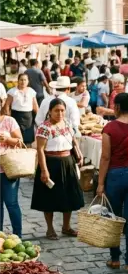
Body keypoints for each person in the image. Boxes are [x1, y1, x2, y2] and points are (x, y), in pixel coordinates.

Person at [97, 93, 128, 273]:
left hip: (115, 176)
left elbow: (105, 157)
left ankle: (115, 258)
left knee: (114, 218)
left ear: (116, 107)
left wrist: (100, 183)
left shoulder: (109, 127)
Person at [31, 98, 84, 239]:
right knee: (49, 198)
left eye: (62, 110)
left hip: (68, 162)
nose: (60, 113)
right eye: (56, 110)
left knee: (69, 196)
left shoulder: (67, 123)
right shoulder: (44, 127)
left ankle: (66, 227)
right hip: (51, 163)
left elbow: (73, 140)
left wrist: (78, 151)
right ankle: (50, 229)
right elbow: (40, 150)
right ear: (50, 111)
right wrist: (44, 170)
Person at [0, 112, 24, 237]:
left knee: (11, 203)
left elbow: (20, 142)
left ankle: (18, 236)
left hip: (8, 170)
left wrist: (7, 139)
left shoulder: (9, 121)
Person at [5, 74, 38, 144]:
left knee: (28, 139)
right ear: (18, 81)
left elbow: (35, 106)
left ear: (28, 81)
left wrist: (39, 116)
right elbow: (7, 105)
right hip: (16, 116)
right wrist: (8, 118)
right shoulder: (12, 91)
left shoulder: (31, 91)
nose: (23, 82)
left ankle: (26, 152)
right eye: (21, 80)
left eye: (25, 80)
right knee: (17, 138)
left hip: (28, 117)